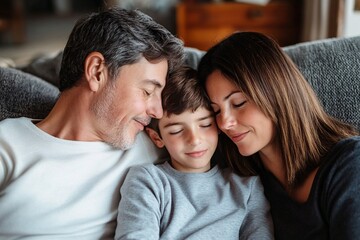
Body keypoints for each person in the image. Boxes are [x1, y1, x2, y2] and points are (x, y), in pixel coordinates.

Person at [0, 8, 184, 239]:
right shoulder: (8, 146)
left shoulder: (157, 144)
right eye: (147, 91)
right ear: (97, 72)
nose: (157, 111)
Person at [197, 31, 360, 240]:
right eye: (216, 111)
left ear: (276, 92)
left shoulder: (350, 165)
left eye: (238, 103)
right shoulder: (245, 184)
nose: (224, 123)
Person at [115, 66, 274, 240]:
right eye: (176, 130)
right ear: (156, 138)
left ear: (218, 126)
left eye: (205, 125)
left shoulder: (246, 188)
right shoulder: (148, 181)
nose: (194, 140)